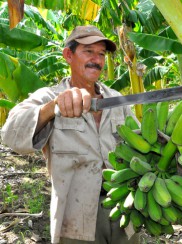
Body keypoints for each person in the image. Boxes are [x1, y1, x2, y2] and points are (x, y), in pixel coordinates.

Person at [1, 25, 140, 244]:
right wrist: (52, 108)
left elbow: (140, 140)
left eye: (101, 54)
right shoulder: (49, 96)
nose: (97, 59)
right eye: (88, 51)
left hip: (125, 210)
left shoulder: (115, 99)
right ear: (68, 55)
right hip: (75, 218)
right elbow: (10, 135)